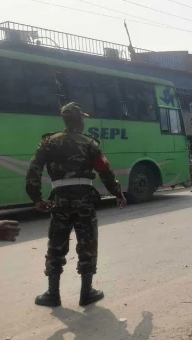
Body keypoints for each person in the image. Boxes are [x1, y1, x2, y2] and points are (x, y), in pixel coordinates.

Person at [25, 102, 126, 308]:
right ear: (80, 120)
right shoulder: (90, 144)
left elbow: (33, 170)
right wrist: (117, 193)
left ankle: (52, 294)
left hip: (59, 200)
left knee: (56, 244)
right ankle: (87, 293)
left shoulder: (48, 142)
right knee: (87, 243)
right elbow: (105, 171)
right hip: (84, 201)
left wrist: (36, 198)